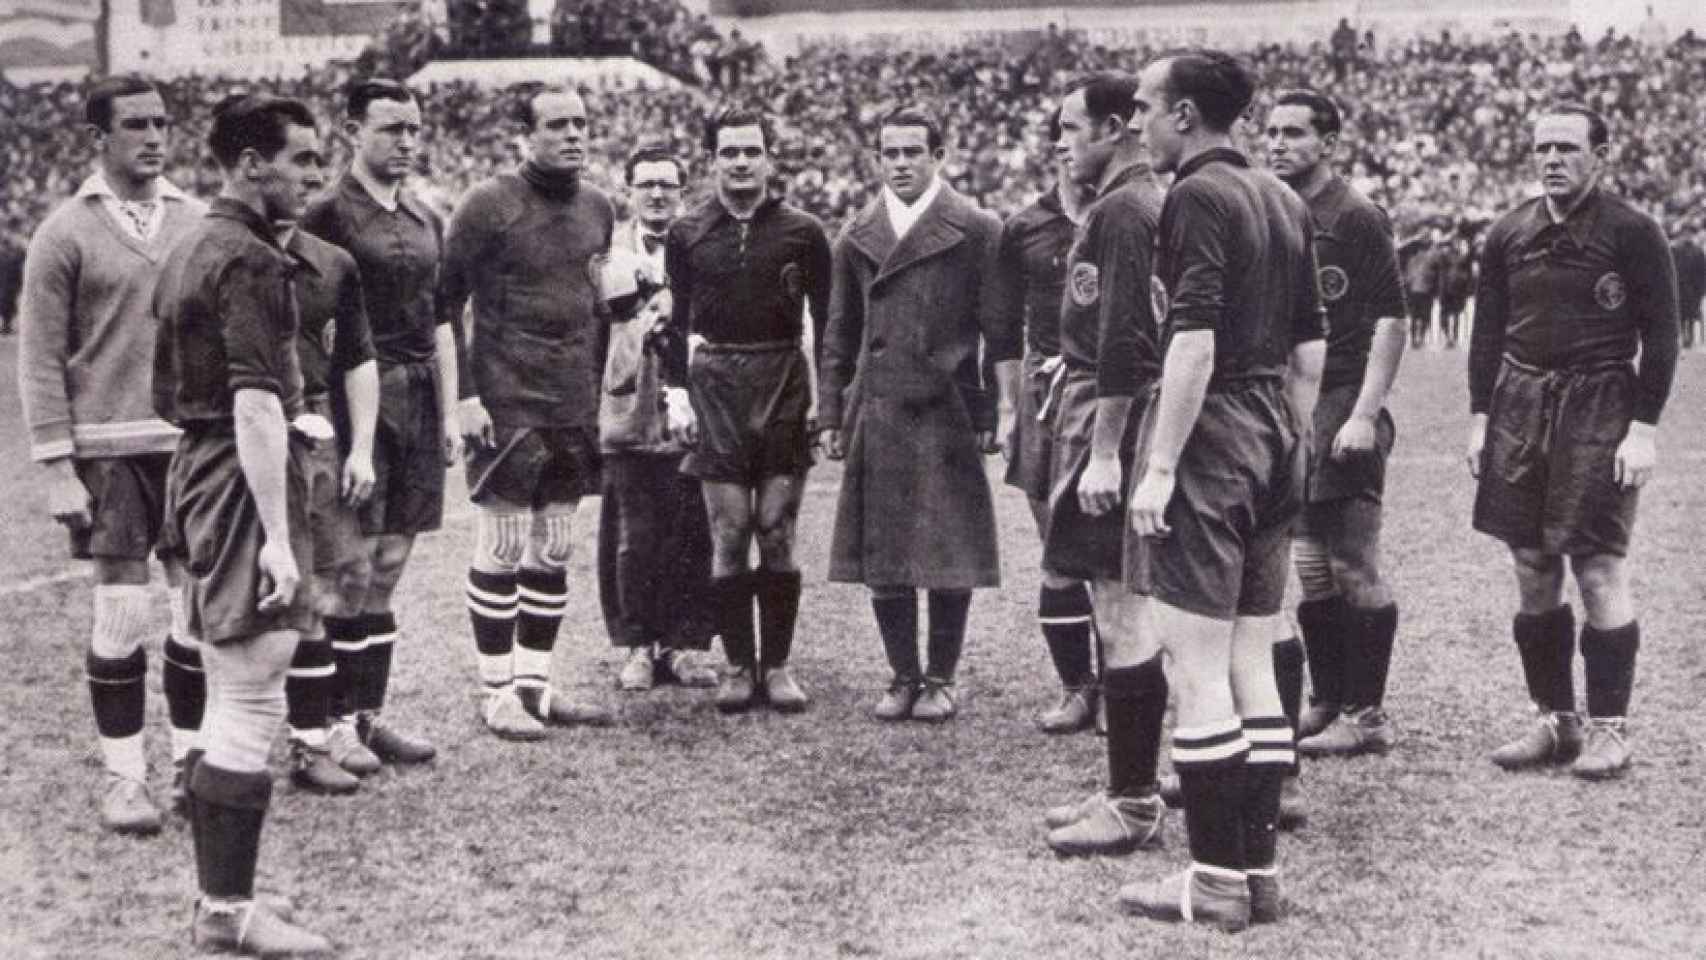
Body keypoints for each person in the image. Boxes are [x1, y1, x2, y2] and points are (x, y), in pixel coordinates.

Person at [1119, 50, 1324, 930]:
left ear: (1188, 116)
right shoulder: (1282, 195)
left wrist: (1161, 465)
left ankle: (1210, 881)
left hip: (1214, 430)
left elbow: (1192, 341)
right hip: (1277, 424)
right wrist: (1288, 436)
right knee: (1251, 659)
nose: (1135, 122)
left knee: (1194, 665)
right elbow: (1313, 345)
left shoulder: (1197, 196)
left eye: (1145, 107)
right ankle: (1260, 874)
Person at [152, 92, 333, 956]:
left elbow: (170, 393)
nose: (314, 172)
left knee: (232, 683)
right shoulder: (252, 259)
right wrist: (280, 537)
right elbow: (258, 405)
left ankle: (225, 896)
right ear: (253, 163)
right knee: (256, 683)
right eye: (301, 158)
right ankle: (225, 911)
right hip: (236, 471)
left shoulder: (189, 243)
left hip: (194, 465)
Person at [17, 75, 208, 834]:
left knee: (195, 613)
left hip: (189, 447)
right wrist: (57, 467)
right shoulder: (65, 231)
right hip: (107, 450)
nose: (154, 136)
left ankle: (194, 766)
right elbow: (38, 357)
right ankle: (125, 777)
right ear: (99, 137)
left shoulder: (195, 219)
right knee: (123, 610)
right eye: (135, 124)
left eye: (162, 122)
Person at [1467, 104, 1679, 782]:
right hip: (1520, 400)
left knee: (1596, 563)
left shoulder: (1634, 231)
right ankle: (1554, 720)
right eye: (1541, 148)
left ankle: (1610, 730)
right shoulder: (1508, 233)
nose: (1551, 159)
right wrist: (1479, 417)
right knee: (1531, 563)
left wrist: (1642, 429)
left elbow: (1664, 336)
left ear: (1600, 155)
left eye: (1565, 147)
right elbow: (1487, 333)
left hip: (1600, 401)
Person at [820, 106, 1018, 724]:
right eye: (890, 153)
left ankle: (941, 677)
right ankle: (902, 675)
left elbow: (999, 331)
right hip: (877, 406)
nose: (900, 163)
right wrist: (831, 413)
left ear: (939, 155)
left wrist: (990, 408)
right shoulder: (856, 233)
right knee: (884, 549)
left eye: (912, 151)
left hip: (946, 407)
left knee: (948, 545)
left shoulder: (977, 228)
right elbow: (839, 331)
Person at [439, 86, 616, 739]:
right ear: (526, 135)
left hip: (571, 398)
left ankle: (536, 686)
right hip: (505, 397)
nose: (573, 134)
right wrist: (463, 396)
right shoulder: (487, 205)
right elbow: (444, 303)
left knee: (557, 545)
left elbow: (594, 304)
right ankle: (495, 691)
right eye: (557, 124)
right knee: (506, 543)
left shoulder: (600, 207)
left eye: (581, 123)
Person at [1028, 74, 1170, 856]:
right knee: (1120, 606)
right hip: (1096, 402)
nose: (1061, 143)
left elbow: (1124, 338)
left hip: (1110, 413)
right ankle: (1129, 787)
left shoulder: (1123, 209)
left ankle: (1134, 800)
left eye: (1072, 128)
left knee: (1120, 610)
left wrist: (1107, 451)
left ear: (1116, 128)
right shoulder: (1129, 203)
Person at [301, 78, 448, 768]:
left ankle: (366, 717)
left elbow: (440, 317)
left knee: (389, 563)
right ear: (354, 130)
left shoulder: (424, 216)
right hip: (352, 397)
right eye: (391, 129)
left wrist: (450, 407)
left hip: (418, 394)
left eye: (413, 130)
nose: (405, 142)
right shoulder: (327, 212)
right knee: (350, 568)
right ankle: (328, 724)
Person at [664, 108, 831, 713]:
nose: (739, 162)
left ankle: (779, 665)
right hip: (715, 382)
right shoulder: (687, 234)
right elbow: (674, 321)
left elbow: (831, 321)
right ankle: (738, 665)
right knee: (730, 530)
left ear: (768, 158)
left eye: (750, 151)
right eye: (728, 152)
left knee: (777, 529)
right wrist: (676, 391)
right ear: (712, 159)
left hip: (783, 375)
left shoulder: (804, 231)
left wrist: (825, 399)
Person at [1264, 90, 1408, 761]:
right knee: (1311, 566)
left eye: (1294, 133)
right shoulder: (1275, 206)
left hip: (1346, 400)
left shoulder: (1354, 214)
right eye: (1270, 131)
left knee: (1353, 562)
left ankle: (1368, 712)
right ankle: (1327, 697)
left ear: (1329, 143)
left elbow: (1391, 318)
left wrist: (1364, 412)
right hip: (1299, 404)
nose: (1278, 143)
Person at [596, 145, 719, 692]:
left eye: (667, 184)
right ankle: (637, 645)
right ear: (629, 190)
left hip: (694, 411)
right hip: (627, 408)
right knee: (633, 535)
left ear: (683, 190)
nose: (657, 193)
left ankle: (687, 643)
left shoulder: (700, 247)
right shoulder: (605, 252)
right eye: (646, 183)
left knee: (693, 530)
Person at [996, 107, 1098, 734]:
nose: (1070, 154)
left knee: (1114, 550)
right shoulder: (1025, 226)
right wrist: (1009, 407)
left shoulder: (1136, 215)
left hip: (1110, 385)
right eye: (1061, 143)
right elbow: (1003, 330)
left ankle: (1122, 683)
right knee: (1056, 545)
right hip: (1043, 386)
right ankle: (1076, 686)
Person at [278, 198, 382, 794]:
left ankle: (323, 734)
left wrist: (360, 447)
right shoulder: (222, 249)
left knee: (338, 580)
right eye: (298, 160)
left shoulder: (333, 263)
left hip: (316, 428)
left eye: (316, 162)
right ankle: (206, 747)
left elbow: (357, 358)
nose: (309, 176)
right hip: (239, 424)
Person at [1668, 223, 1704, 349]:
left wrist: (1701, 290)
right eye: (1685, 233)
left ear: (1692, 235)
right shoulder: (1675, 250)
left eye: (1689, 233)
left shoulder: (1698, 252)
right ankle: (1682, 335)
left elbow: (1702, 272)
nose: (1687, 236)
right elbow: (1671, 269)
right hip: (1679, 287)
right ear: (1681, 235)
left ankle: (1690, 336)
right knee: (1680, 313)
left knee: (1691, 313)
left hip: (1693, 289)